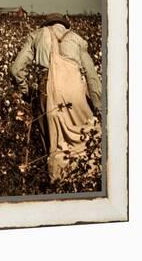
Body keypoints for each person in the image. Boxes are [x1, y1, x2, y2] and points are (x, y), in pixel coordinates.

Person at [9, 13, 102, 182]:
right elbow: (92, 76)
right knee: (85, 135)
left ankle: (58, 184)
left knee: (53, 142)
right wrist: (98, 106)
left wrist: (27, 92)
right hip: (75, 90)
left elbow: (16, 69)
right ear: (65, 25)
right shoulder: (76, 39)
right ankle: (86, 181)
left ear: (46, 24)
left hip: (47, 90)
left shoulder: (37, 35)